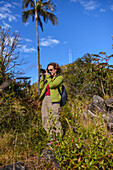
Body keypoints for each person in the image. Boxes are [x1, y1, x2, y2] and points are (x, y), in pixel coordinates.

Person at [39, 62, 63, 142]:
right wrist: (43, 77)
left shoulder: (59, 78)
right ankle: (52, 138)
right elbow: (41, 86)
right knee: (45, 119)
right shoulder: (48, 79)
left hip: (54, 100)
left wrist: (48, 77)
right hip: (45, 99)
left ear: (56, 70)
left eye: (51, 70)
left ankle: (58, 139)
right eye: (48, 70)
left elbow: (52, 85)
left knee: (55, 118)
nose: (50, 72)